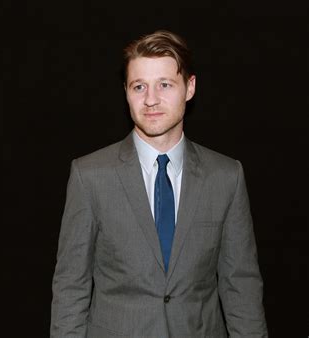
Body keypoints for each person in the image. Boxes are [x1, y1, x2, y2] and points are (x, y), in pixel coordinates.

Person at [50, 30, 267, 337]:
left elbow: (241, 286)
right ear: (125, 91)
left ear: (189, 88)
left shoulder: (226, 176)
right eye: (139, 86)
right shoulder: (90, 176)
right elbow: (71, 287)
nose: (150, 99)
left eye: (164, 84)